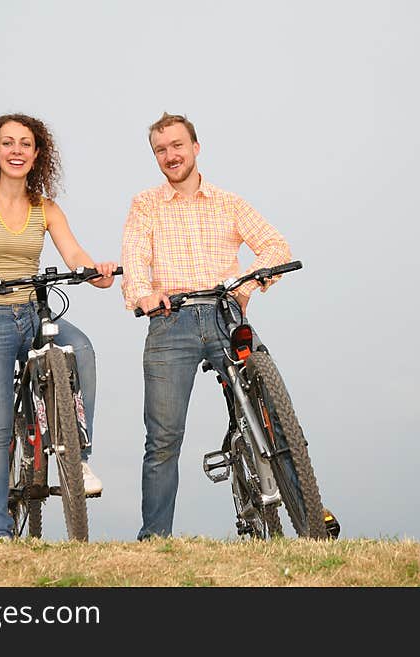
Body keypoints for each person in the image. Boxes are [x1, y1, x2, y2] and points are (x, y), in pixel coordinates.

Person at [0, 113, 118, 542]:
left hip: (34, 314)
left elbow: (76, 256)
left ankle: (78, 456)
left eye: (25, 143)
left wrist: (98, 272)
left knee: (82, 349)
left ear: (38, 154)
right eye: (8, 143)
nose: (16, 150)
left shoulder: (46, 207)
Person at [121, 112, 292, 540]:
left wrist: (251, 283)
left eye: (177, 146)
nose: (170, 155)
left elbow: (275, 244)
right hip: (170, 320)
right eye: (161, 150)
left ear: (196, 148)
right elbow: (136, 258)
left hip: (223, 313)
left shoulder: (228, 203)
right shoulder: (145, 204)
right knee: (162, 439)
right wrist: (143, 295)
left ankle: (310, 518)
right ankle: (155, 539)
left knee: (275, 417)